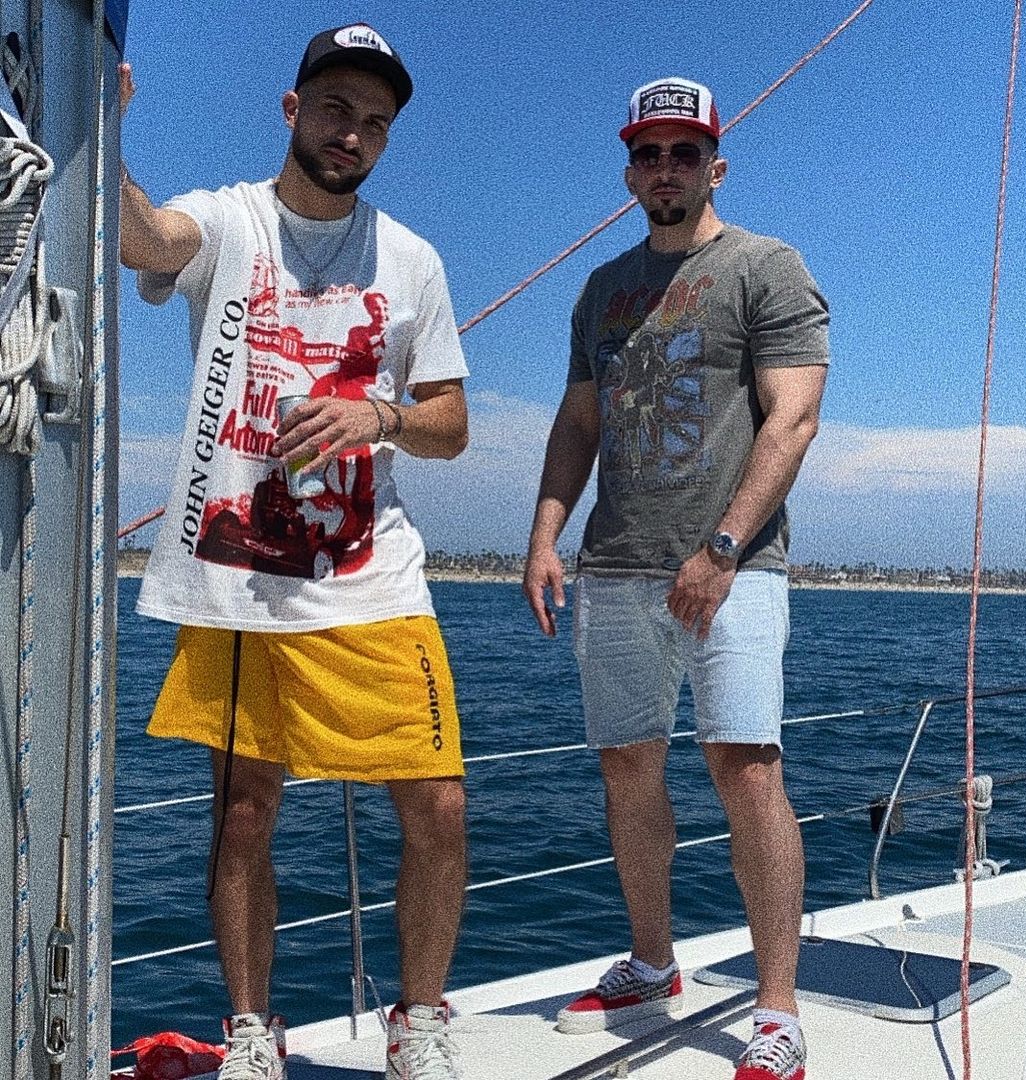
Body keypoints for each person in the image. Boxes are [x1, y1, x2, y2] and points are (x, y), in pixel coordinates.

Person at [119, 24, 470, 1080]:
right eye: (335, 109)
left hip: (373, 575)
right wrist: (102, 136)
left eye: (375, 122)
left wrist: (379, 418)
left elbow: (451, 422)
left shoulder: (412, 259)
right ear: (292, 109)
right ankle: (250, 1031)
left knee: (440, 805)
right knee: (243, 815)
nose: (352, 132)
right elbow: (147, 242)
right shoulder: (231, 219)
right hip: (237, 578)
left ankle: (418, 1023)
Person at [523, 76, 829, 1080]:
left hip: (733, 571)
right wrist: (544, 536)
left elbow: (793, 420)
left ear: (715, 167)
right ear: (629, 172)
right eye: (648, 153)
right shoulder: (600, 290)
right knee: (627, 766)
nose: (665, 168)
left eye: (684, 152)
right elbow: (579, 422)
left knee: (747, 768)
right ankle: (653, 964)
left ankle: (777, 1010)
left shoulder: (766, 268)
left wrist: (723, 549)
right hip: (613, 566)